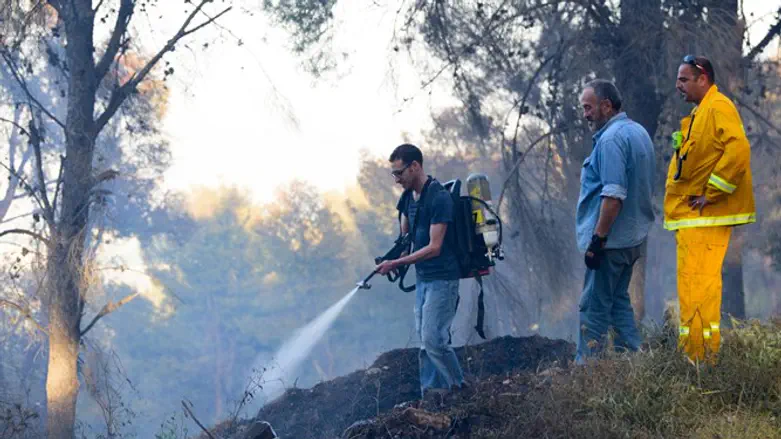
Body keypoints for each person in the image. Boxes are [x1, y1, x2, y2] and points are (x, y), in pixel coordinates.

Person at [665, 55, 756, 362]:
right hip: (693, 220)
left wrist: (712, 194)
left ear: (702, 79)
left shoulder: (718, 107)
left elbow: (738, 149)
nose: (678, 85)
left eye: (683, 79)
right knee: (693, 289)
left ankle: (702, 357)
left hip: (704, 219)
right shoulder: (701, 112)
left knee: (700, 289)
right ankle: (695, 356)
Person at [575, 79, 656, 364]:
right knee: (619, 303)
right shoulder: (638, 132)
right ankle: (634, 365)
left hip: (611, 242)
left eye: (589, 108)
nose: (585, 114)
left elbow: (613, 197)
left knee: (593, 307)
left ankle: (587, 371)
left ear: (607, 106)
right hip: (633, 240)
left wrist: (597, 240)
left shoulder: (610, 140)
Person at [375, 143, 465, 396]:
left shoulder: (438, 197)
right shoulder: (407, 199)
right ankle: (432, 394)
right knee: (425, 343)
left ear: (414, 166)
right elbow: (405, 240)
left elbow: (434, 247)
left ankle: (460, 389)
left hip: (443, 279)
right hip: (424, 279)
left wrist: (396, 264)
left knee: (435, 340)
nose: (397, 179)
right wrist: (394, 258)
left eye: (399, 173)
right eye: (393, 174)